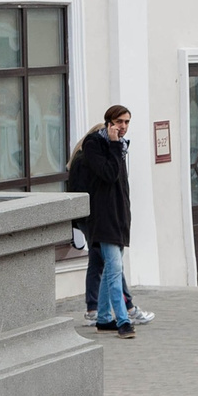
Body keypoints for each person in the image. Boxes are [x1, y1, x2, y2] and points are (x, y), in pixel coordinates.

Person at [66, 106, 137, 338]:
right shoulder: (94, 144)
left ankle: (105, 318)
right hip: (102, 219)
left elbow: (120, 186)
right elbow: (108, 174)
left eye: (126, 122)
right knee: (115, 270)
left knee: (109, 268)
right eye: (119, 122)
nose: (123, 127)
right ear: (108, 122)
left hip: (118, 217)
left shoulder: (120, 146)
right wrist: (116, 145)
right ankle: (123, 321)